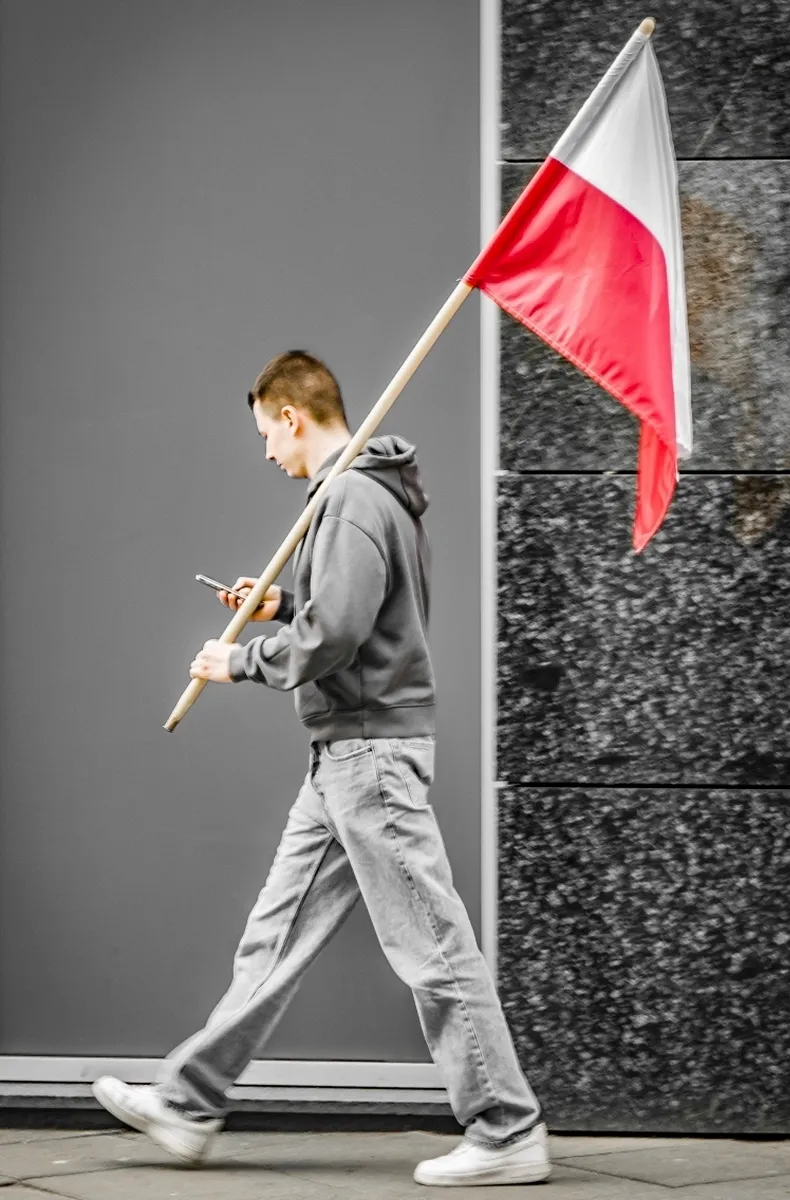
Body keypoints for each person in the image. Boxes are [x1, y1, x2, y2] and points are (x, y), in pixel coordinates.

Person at [92, 350, 550, 1187]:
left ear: (291, 417)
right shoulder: (373, 493)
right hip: (347, 752)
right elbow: (352, 610)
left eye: (267, 433)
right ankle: (190, 1105)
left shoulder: (346, 496)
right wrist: (278, 602)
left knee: (431, 945)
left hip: (368, 751)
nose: (268, 452)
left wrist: (243, 660)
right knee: (274, 936)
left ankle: (508, 1128)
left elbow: (334, 637)